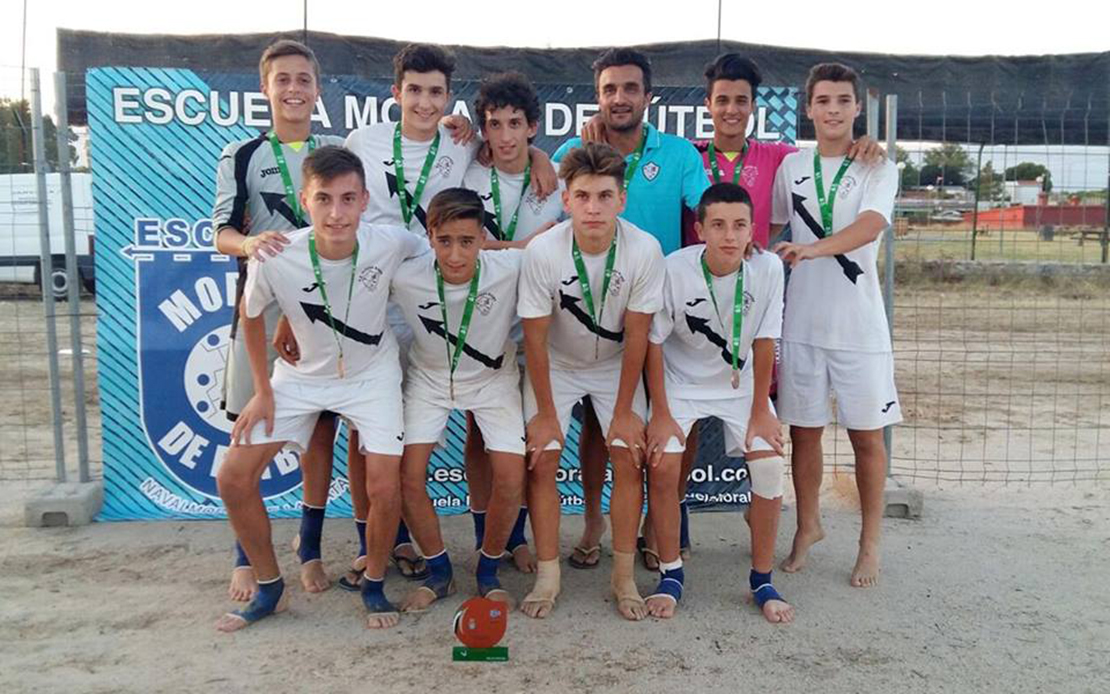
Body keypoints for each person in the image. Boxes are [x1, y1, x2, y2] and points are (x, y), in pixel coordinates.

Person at [324, 45, 556, 587]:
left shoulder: (465, 145)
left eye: (436, 92)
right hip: (393, 292)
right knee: (373, 428)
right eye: (415, 90)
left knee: (487, 431)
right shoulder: (363, 142)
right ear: (396, 92)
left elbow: (514, 150)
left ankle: (496, 546)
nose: (425, 102)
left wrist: (541, 157)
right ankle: (380, 542)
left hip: (478, 296)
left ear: (448, 98)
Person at [215, 145, 425, 632]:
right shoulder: (276, 254)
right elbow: (249, 317)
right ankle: (269, 588)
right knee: (232, 477)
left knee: (383, 486)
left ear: (365, 200)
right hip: (301, 378)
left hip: (372, 374)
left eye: (348, 199)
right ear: (306, 202)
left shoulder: (391, 241)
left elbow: (439, 253)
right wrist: (263, 390)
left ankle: (374, 583)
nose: (337, 212)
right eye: (324, 199)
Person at [552, 47, 708, 571]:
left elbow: (707, 211)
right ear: (598, 97)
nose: (619, 98)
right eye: (609, 90)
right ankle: (597, 521)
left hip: (657, 313)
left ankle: (658, 522)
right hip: (592, 314)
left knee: (672, 420)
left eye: (630, 88)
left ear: (647, 96)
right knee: (601, 427)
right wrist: (534, 156)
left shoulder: (681, 153)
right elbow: (545, 191)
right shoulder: (577, 149)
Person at [212, 38, 345, 601]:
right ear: (266, 88)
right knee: (252, 426)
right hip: (262, 310)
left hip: (322, 315)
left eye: (304, 79)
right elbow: (220, 232)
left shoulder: (336, 149)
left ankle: (309, 547)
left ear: (317, 89)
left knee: (319, 433)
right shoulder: (240, 155)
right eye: (282, 79)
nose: (294, 89)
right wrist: (249, 244)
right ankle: (246, 555)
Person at [517, 142, 665, 620]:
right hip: (556, 364)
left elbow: (639, 336)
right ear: (566, 200)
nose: (593, 208)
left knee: (627, 456)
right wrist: (543, 413)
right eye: (582, 196)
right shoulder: (543, 251)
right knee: (541, 461)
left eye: (605, 196)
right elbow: (535, 342)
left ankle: (622, 577)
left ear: (622, 200)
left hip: (615, 364)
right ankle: (548, 575)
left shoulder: (644, 248)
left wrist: (624, 411)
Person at [771, 62, 901, 588]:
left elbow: (870, 228)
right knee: (803, 434)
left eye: (842, 101)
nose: (832, 110)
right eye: (823, 101)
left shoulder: (877, 166)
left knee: (868, 440)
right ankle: (808, 527)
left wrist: (814, 247)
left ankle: (870, 545)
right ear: (808, 108)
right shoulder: (791, 167)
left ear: (856, 108)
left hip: (859, 329)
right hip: (801, 323)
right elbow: (770, 222)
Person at [644, 182, 791, 622]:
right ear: (699, 229)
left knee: (768, 465)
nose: (730, 236)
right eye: (719, 225)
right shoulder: (674, 268)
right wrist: (662, 414)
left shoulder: (768, 269)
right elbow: (653, 344)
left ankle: (762, 578)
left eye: (740, 226)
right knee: (665, 464)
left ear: (752, 230)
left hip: (742, 383)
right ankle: (671, 573)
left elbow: (766, 341)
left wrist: (762, 409)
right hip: (680, 383)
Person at [388, 187, 527, 611]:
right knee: (407, 477)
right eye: (444, 241)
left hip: (493, 379)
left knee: (509, 478)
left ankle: (487, 569)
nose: (454, 255)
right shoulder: (404, 275)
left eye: (466, 242)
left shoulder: (511, 267)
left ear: (483, 239)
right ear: (429, 235)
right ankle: (439, 571)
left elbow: (558, 252)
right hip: (429, 379)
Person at [459, 71, 565, 574]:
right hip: (485, 328)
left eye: (514, 124)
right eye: (493, 124)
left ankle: (518, 536)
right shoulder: (467, 170)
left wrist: (544, 160)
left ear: (532, 127)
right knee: (482, 437)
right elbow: (467, 248)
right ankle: (489, 540)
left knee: (529, 438)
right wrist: (522, 248)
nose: (503, 136)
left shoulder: (558, 181)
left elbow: (558, 256)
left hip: (542, 330)